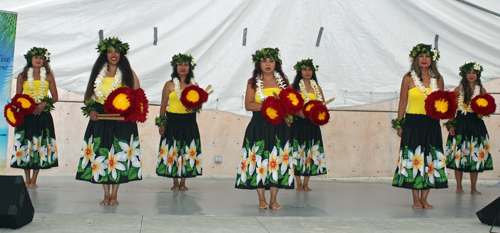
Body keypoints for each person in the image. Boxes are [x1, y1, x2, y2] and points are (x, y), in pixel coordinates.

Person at [75, 37, 141, 206]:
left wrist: (130, 112)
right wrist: (91, 110)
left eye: (116, 51)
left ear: (121, 54)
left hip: (121, 120)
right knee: (103, 154)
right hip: (101, 118)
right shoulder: (98, 74)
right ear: (105, 54)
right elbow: (88, 97)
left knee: (117, 155)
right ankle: (105, 194)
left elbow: (137, 95)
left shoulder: (128, 74)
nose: (113, 54)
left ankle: (115, 195)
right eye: (110, 51)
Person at [235, 48, 293, 210]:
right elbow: (249, 105)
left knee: (276, 160)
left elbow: (289, 103)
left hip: (279, 126)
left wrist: (285, 108)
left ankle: (274, 199)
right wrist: (270, 105)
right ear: (258, 63)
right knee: (259, 160)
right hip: (259, 125)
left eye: (271, 61)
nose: (268, 64)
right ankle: (261, 198)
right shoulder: (252, 82)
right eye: (264, 61)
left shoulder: (284, 82)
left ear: (276, 63)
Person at [392, 44, 447, 209]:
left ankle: (425, 199)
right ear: (416, 59)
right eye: (421, 56)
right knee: (414, 159)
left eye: (427, 56)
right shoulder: (408, 77)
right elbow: (403, 101)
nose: (424, 59)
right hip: (413, 123)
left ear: (432, 60)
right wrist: (399, 123)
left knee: (430, 159)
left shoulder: (438, 79)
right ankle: (415, 198)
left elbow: (441, 102)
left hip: (431, 123)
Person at [10, 47, 58, 188]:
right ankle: (27, 178)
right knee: (26, 145)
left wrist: (44, 104)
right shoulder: (22, 76)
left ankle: (34, 179)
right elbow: (18, 97)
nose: (38, 60)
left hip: (42, 114)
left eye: (41, 58)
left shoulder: (48, 76)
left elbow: (55, 97)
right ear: (30, 59)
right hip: (27, 114)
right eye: (35, 57)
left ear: (45, 60)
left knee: (39, 145)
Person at [156, 53, 202, 190]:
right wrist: (162, 123)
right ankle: (175, 182)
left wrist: (193, 108)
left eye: (186, 64)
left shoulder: (194, 85)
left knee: (187, 150)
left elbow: (198, 104)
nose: (183, 67)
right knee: (173, 150)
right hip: (172, 121)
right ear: (175, 67)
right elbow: (163, 105)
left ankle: (183, 182)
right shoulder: (169, 85)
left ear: (190, 67)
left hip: (189, 122)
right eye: (180, 64)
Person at [445, 62, 492, 195]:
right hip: (460, 123)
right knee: (459, 155)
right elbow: (452, 109)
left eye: (474, 73)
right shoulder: (458, 90)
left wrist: (481, 112)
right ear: (464, 75)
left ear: (478, 75)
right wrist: (451, 125)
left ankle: (473, 187)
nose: (471, 75)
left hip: (476, 124)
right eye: (469, 72)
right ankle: (459, 186)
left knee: (475, 155)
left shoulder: (482, 91)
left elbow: (484, 110)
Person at [290, 59, 327, 191]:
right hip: (298, 123)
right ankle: (298, 182)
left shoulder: (317, 88)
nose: (307, 72)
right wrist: (298, 112)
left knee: (310, 151)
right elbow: (288, 105)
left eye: (310, 69)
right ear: (300, 71)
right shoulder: (294, 86)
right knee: (298, 151)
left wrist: (317, 112)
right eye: (304, 69)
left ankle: (306, 182)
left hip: (312, 124)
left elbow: (323, 106)